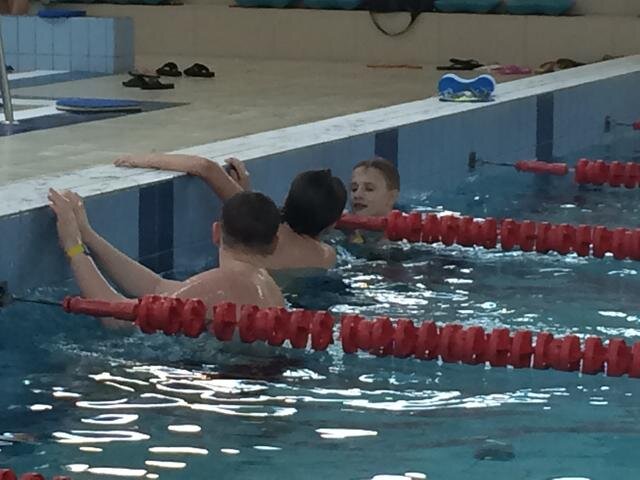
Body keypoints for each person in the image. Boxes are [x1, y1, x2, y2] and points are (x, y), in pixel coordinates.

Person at [48, 189, 285, 321]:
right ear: (274, 244)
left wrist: (74, 248)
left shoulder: (216, 286)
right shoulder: (269, 288)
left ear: (215, 232)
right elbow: (156, 286)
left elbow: (115, 317)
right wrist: (88, 235)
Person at [114, 154, 346, 270]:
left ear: (287, 199)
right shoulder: (326, 256)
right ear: (333, 223)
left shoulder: (263, 226)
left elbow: (206, 168)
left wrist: (139, 159)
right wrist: (245, 193)